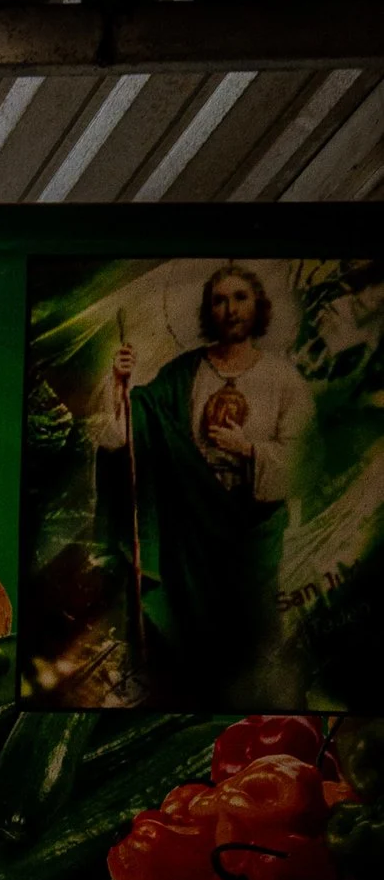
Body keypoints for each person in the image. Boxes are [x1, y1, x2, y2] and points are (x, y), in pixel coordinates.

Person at [93, 262, 311, 705]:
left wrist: (248, 449)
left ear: (258, 307)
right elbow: (133, 429)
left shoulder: (283, 379)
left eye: (240, 298)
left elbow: (301, 460)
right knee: (187, 643)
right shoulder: (182, 374)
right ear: (208, 311)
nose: (230, 309)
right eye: (219, 300)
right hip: (189, 535)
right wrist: (120, 385)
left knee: (249, 637)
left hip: (251, 534)